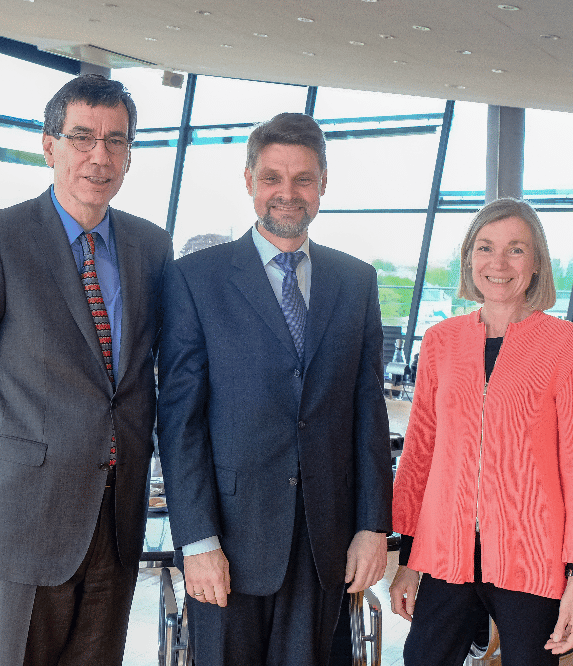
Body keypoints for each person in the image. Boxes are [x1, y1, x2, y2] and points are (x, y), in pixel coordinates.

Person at [0, 74, 172, 666]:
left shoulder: (151, 247)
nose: (99, 156)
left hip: (116, 519)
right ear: (49, 145)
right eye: (83, 137)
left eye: (116, 141)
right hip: (18, 520)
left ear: (130, 154)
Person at [157, 112, 394, 666]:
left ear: (323, 184)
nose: (287, 193)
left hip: (325, 539)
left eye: (303, 179)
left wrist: (371, 525)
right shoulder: (198, 278)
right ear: (249, 181)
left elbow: (367, 410)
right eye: (272, 178)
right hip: (229, 544)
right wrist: (197, 541)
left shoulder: (355, 281)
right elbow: (180, 421)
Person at [388, 198, 573, 666]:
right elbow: (420, 454)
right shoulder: (440, 342)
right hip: (446, 553)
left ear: (537, 263)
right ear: (469, 258)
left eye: (516, 250)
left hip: (532, 556)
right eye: (485, 247)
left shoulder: (567, 346)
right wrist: (407, 561)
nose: (499, 263)